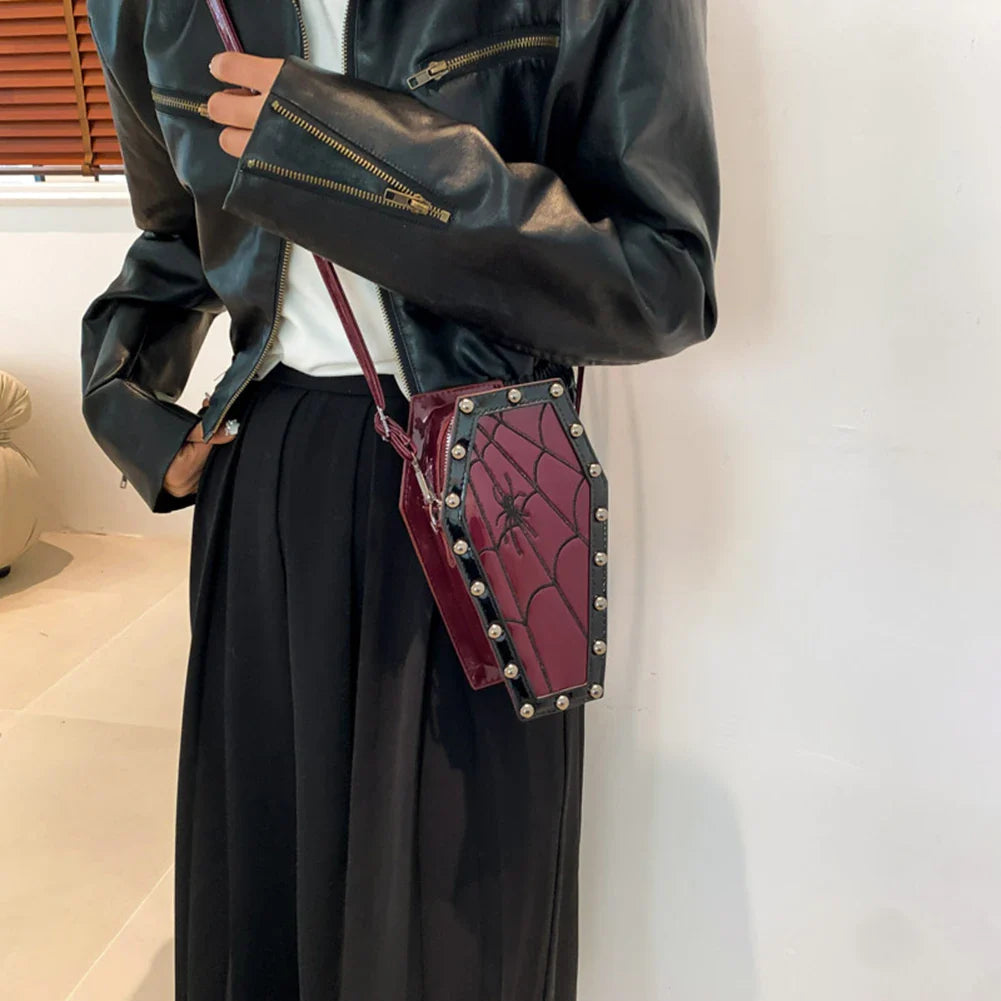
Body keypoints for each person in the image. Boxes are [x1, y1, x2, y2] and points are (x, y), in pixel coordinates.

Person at [80, 0, 719, 998]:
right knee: (269, 893)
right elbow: (178, 232)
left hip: (480, 479)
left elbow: (661, 275)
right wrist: (124, 396)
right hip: (269, 470)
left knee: (458, 923)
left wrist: (340, 149)